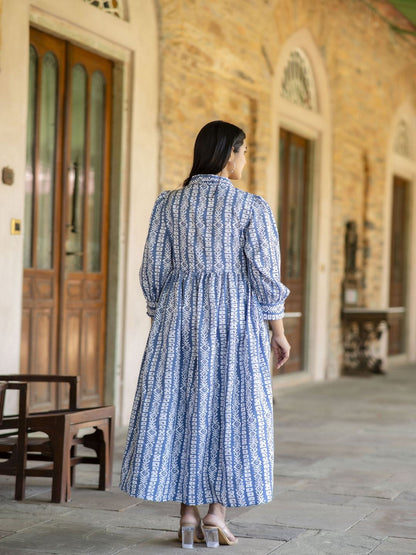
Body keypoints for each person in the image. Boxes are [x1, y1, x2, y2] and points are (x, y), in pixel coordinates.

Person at [120, 120, 290, 546]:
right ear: (228, 153)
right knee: (230, 408)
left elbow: (153, 270)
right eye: (244, 150)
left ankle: (186, 515)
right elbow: (265, 276)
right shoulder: (251, 207)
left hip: (178, 317)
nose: (245, 159)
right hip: (235, 318)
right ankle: (216, 512)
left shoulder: (169, 204)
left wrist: (165, 315)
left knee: (181, 406)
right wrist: (279, 331)